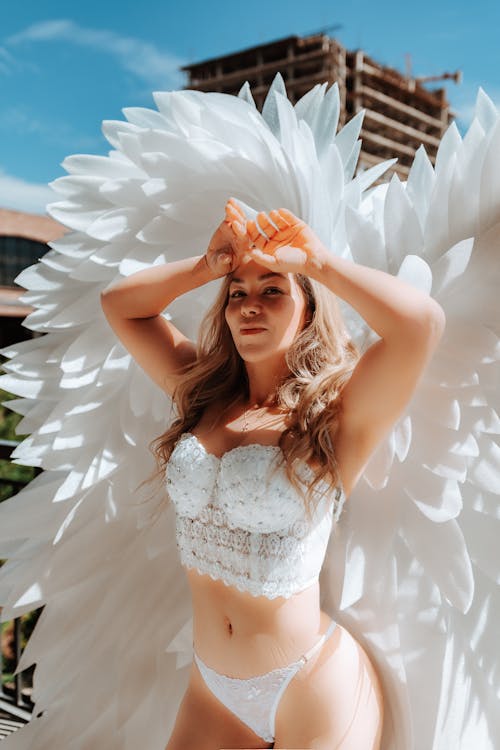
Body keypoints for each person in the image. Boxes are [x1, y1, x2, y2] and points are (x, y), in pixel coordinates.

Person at [100, 197, 445, 750]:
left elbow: (421, 325)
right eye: (238, 294)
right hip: (211, 690)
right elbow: (119, 305)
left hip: (313, 688)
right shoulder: (203, 395)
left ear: (307, 308)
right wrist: (209, 266)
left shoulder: (332, 417)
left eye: (273, 291)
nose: (249, 307)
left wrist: (318, 263)